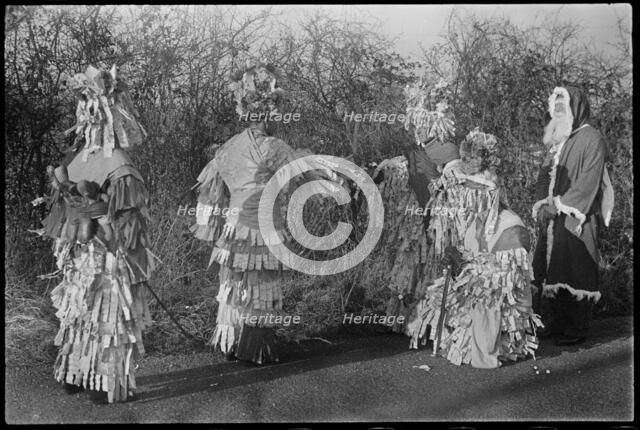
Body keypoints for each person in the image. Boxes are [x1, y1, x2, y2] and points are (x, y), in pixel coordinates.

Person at [191, 62, 333, 364]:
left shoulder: (228, 147)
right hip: (262, 228)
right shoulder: (273, 146)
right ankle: (256, 348)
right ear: (270, 111)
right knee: (261, 284)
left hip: (233, 229)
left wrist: (210, 225)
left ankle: (230, 343)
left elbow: (212, 189)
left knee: (233, 284)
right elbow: (302, 173)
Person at [39, 65, 155, 403]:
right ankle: (99, 380)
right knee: (102, 312)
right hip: (103, 255)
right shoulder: (118, 164)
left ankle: (77, 374)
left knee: (85, 310)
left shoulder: (77, 160)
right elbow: (130, 227)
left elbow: (66, 212)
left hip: (83, 254)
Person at [405, 128, 542, 368]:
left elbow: (498, 281)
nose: (465, 162)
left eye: (471, 158)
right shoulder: (469, 199)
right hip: (486, 245)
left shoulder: (494, 201)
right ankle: (480, 346)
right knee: (463, 287)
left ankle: (487, 354)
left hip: (503, 254)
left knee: (485, 293)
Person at [531, 86, 613, 346]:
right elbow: (545, 174)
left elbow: (589, 182)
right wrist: (543, 203)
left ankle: (577, 327)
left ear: (575, 109)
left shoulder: (592, 139)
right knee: (549, 267)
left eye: (562, 108)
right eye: (554, 109)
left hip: (578, 216)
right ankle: (552, 321)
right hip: (552, 216)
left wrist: (559, 205)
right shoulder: (559, 138)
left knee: (576, 267)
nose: (557, 113)